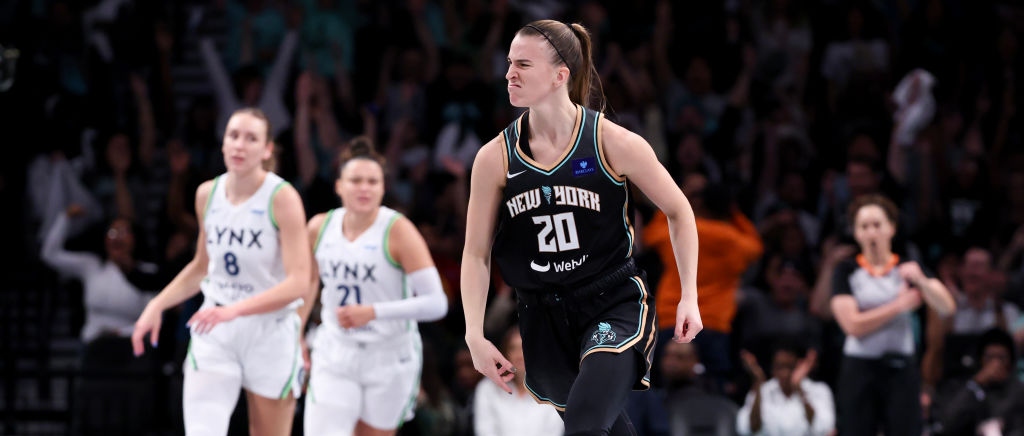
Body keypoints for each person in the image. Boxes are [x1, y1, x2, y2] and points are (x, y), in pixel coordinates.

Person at [460, 19, 702, 435]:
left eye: (523, 64)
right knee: (604, 428)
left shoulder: (612, 141)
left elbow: (679, 211)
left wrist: (689, 295)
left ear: (560, 76)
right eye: (509, 63)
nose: (509, 74)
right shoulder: (493, 158)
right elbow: (476, 253)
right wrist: (473, 334)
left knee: (585, 426)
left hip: (611, 302)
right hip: (542, 315)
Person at [132, 108, 311, 436]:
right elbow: (202, 267)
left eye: (251, 138)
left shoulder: (282, 197)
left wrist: (236, 310)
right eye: (234, 136)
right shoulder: (207, 194)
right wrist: (157, 304)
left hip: (270, 330)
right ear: (223, 142)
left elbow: (299, 282)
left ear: (267, 149)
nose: (240, 145)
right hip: (216, 325)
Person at [303, 137, 448, 436]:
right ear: (339, 185)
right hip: (335, 349)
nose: (364, 188)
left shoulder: (398, 230)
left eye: (373, 181)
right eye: (356, 180)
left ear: (383, 187)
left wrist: (374, 312)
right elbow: (305, 286)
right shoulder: (319, 227)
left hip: (389, 354)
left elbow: (437, 303)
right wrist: (297, 336)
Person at [829, 194, 956, 436]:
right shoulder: (846, 271)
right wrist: (899, 306)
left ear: (891, 229)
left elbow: (947, 307)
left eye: (877, 225)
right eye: (864, 226)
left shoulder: (907, 268)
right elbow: (852, 326)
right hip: (860, 368)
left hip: (901, 369)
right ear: (856, 233)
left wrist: (922, 281)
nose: (871, 232)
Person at [473, 325, 564, 436]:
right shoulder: (488, 388)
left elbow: (554, 431)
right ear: (504, 353)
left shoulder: (552, 388)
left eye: (524, 347)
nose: (519, 355)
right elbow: (485, 430)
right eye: (513, 348)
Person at [736, 341, 835, 436]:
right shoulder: (762, 390)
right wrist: (758, 383)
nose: (785, 373)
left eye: (790, 367)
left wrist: (800, 390)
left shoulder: (818, 390)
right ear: (772, 369)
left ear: (798, 365)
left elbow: (823, 429)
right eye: (779, 367)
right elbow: (747, 429)